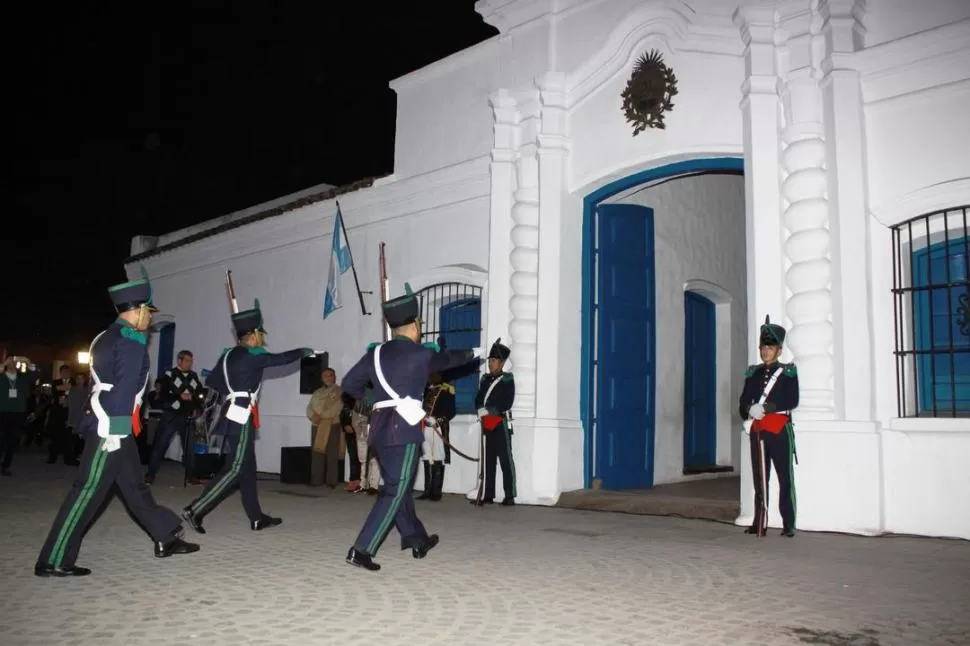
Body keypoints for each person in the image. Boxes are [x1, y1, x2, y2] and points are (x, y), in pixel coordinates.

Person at [34, 271, 200, 577]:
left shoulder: (106, 336)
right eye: (148, 313)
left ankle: (165, 537)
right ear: (136, 311)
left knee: (135, 487)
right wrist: (116, 429)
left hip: (107, 418)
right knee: (87, 490)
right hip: (112, 424)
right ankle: (54, 559)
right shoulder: (132, 343)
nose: (149, 320)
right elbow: (123, 389)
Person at [341, 284, 482, 571]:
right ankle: (362, 549)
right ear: (415, 324)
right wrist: (472, 352)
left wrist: (377, 399)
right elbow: (449, 359)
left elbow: (349, 384)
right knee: (395, 491)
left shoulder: (375, 355)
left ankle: (416, 539)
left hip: (379, 429)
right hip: (403, 431)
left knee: (398, 488)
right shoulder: (420, 354)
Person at [180, 298, 313, 534]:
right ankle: (196, 509)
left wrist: (236, 386)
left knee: (248, 469)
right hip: (241, 416)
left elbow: (213, 382)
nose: (262, 338)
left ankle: (256, 517)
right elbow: (279, 359)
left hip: (232, 412)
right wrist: (304, 351)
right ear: (253, 335)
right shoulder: (251, 355)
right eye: (260, 334)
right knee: (235, 469)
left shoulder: (228, 355)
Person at [739, 315, 800, 538]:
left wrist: (767, 407)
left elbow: (791, 400)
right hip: (758, 431)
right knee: (759, 480)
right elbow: (743, 401)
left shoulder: (787, 372)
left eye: (770, 347)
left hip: (779, 430)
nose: (766, 351)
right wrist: (749, 409)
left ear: (779, 350)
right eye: (763, 347)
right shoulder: (752, 373)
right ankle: (759, 522)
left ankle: (789, 524)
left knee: (785, 478)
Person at [145, 350, 207, 485]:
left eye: (191, 361)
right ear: (179, 361)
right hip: (171, 416)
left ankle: (191, 476)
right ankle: (150, 474)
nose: (190, 364)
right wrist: (179, 396)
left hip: (187, 416)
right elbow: (162, 395)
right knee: (161, 444)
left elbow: (200, 394)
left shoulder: (193, 376)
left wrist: (197, 407)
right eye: (187, 361)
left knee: (189, 447)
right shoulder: (169, 375)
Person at [472, 339, 516, 506]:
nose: (491, 364)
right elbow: (478, 399)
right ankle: (489, 494)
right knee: (488, 460)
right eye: (490, 361)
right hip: (487, 422)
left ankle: (509, 495)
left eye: (494, 361)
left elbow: (507, 402)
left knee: (505, 459)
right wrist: (479, 409)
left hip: (500, 422)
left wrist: (489, 410)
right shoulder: (485, 380)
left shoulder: (507, 380)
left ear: (502, 363)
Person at [417, 371, 455, 501]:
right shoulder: (427, 390)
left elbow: (451, 411)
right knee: (427, 458)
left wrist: (438, 420)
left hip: (437, 427)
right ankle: (427, 490)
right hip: (426, 427)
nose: (430, 376)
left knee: (438, 457)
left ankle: (436, 492)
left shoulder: (446, 390)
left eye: (433, 374)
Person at [306, 367, 345, 488]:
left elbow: (337, 408)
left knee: (331, 453)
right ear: (322, 378)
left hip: (331, 424)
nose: (328, 378)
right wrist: (312, 416)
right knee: (317, 451)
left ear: (334, 377)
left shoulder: (339, 392)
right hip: (317, 425)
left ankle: (331, 481)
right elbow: (309, 407)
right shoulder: (317, 392)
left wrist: (321, 417)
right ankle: (316, 480)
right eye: (325, 376)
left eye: (330, 375)